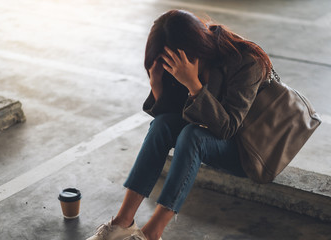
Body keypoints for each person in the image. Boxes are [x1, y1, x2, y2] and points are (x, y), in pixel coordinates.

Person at [86, 9, 272, 240]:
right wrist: (157, 85)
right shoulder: (179, 61)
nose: (170, 67)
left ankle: (152, 233)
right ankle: (122, 223)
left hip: (248, 151)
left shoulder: (245, 61)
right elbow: (174, 118)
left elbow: (228, 128)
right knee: (163, 124)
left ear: (195, 50)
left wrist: (193, 84)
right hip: (210, 137)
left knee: (192, 135)